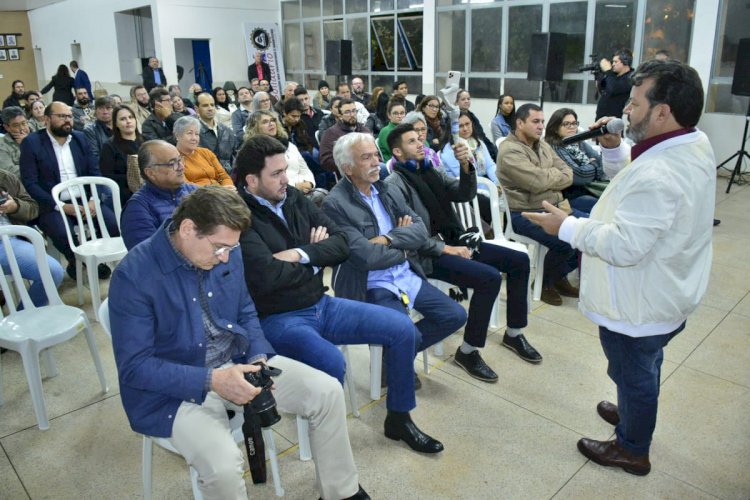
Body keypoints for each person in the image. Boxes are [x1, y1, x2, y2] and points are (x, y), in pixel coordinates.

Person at [109, 186, 369, 500]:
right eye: (219, 248)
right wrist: (213, 380)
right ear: (189, 229)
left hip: (237, 363)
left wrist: (259, 358)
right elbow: (136, 368)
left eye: (231, 248)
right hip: (174, 392)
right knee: (222, 467)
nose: (226, 258)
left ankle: (341, 493)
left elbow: (245, 309)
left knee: (327, 392)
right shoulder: (134, 276)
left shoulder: (227, 248)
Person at [522, 60, 714, 477]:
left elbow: (626, 245)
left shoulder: (661, 171)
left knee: (634, 370)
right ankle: (632, 412)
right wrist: (612, 148)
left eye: (635, 102)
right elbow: (630, 185)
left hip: (641, 300)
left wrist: (567, 226)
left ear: (662, 112)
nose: (626, 111)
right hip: (668, 288)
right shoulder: (690, 143)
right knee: (639, 366)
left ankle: (632, 447)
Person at [236, 134, 445, 454]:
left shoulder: (292, 196)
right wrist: (315, 254)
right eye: (276, 174)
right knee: (332, 362)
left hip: (321, 302)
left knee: (402, 328)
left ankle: (399, 418)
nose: (286, 179)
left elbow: (340, 245)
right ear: (252, 180)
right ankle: (329, 451)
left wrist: (300, 255)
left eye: (285, 170)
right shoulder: (241, 217)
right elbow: (266, 276)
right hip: (279, 317)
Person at [385, 123, 541, 366]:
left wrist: (466, 166)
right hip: (429, 254)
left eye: (420, 139)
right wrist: (445, 248)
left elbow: (462, 194)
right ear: (397, 152)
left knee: (519, 261)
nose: (420, 144)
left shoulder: (430, 170)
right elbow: (409, 236)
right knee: (489, 278)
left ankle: (514, 333)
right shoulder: (395, 184)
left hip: (456, 240)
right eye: (412, 141)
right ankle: (468, 351)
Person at [322, 132, 476, 377]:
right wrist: (405, 248)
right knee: (408, 333)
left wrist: (389, 239)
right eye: (366, 157)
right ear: (347, 168)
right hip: (371, 283)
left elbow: (419, 229)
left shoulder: (385, 188)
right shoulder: (335, 203)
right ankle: (398, 361)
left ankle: (394, 358)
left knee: (455, 315)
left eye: (376, 155)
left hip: (405, 274)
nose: (376, 162)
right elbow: (366, 258)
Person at [19, 101, 119, 280]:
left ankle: (93, 255)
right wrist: (61, 206)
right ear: (47, 119)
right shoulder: (32, 143)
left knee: (112, 224)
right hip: (52, 204)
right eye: (62, 116)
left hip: (84, 199)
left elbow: (94, 172)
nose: (67, 120)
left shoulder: (80, 139)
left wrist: (93, 200)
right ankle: (77, 261)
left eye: (70, 116)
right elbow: (30, 183)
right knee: (62, 233)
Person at [497, 103, 582, 306]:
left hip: (554, 206)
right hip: (523, 213)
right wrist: (552, 178)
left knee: (587, 227)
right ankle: (544, 284)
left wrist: (547, 177)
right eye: (536, 121)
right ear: (519, 123)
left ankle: (558, 276)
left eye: (542, 121)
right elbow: (537, 183)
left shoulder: (542, 144)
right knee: (566, 241)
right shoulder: (509, 151)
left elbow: (568, 172)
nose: (541, 126)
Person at [0, 169, 64, 307]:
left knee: (53, 272)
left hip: (8, 242)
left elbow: (32, 209)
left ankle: (24, 320)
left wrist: (15, 206)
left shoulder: (5, 178)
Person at [120, 140, 196, 250]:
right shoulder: (138, 208)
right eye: (172, 163)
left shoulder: (194, 192)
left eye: (180, 160)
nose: (181, 167)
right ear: (150, 173)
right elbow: (148, 257)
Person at [245, 109, 322, 205]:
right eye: (265, 122)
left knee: (323, 196)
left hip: (304, 190)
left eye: (273, 120)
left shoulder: (289, 145)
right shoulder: (254, 151)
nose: (271, 124)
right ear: (255, 127)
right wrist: (295, 186)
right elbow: (268, 181)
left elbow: (304, 169)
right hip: (279, 197)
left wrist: (310, 183)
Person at [544, 108, 606, 213]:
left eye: (574, 123)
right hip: (571, 196)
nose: (572, 127)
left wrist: (592, 166)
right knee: (605, 207)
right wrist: (593, 164)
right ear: (555, 128)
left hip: (591, 189)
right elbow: (577, 175)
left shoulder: (579, 142)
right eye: (566, 124)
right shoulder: (554, 147)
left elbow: (602, 163)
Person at [99, 105, 144, 205]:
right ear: (116, 124)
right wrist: (134, 178)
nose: (128, 121)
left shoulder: (147, 140)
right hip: (124, 192)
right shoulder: (109, 146)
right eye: (123, 119)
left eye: (131, 117)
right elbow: (107, 175)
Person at [173, 116, 234, 188]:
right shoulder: (173, 158)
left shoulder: (206, 152)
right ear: (177, 136)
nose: (194, 138)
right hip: (199, 196)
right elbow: (186, 187)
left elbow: (224, 176)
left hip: (221, 192)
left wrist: (229, 188)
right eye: (189, 133)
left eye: (197, 134)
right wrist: (218, 191)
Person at [319, 99, 371, 173]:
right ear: (340, 116)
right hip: (349, 172)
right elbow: (325, 160)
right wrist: (351, 165)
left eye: (354, 111)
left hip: (369, 167)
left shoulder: (364, 131)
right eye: (347, 112)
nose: (352, 114)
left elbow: (375, 152)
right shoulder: (331, 133)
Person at [195, 92, 235, 173]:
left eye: (212, 105)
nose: (210, 108)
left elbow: (234, 157)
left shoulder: (227, 131)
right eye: (205, 105)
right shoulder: (194, 132)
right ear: (196, 109)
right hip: (205, 177)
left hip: (229, 177)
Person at [455, 89, 497, 160]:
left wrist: (493, 149)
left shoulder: (472, 116)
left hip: (480, 145)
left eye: (468, 99)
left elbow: (482, 136)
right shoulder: (454, 118)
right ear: (456, 102)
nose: (467, 101)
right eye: (463, 99)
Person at [595, 49, 634, 120]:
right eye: (613, 62)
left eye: (616, 62)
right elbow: (604, 90)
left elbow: (613, 89)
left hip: (613, 121)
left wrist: (608, 71)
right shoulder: (613, 75)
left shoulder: (630, 77)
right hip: (601, 118)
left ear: (625, 62)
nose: (613, 64)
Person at [83, 96, 114, 164]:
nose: (105, 112)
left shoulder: (120, 127)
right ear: (96, 111)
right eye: (101, 108)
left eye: (108, 108)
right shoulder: (90, 130)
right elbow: (94, 156)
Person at [0, 107, 29, 177]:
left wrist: (29, 143)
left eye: (24, 123)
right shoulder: (2, 145)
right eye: (16, 125)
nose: (22, 128)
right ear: (6, 127)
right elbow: (9, 171)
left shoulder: (37, 137)